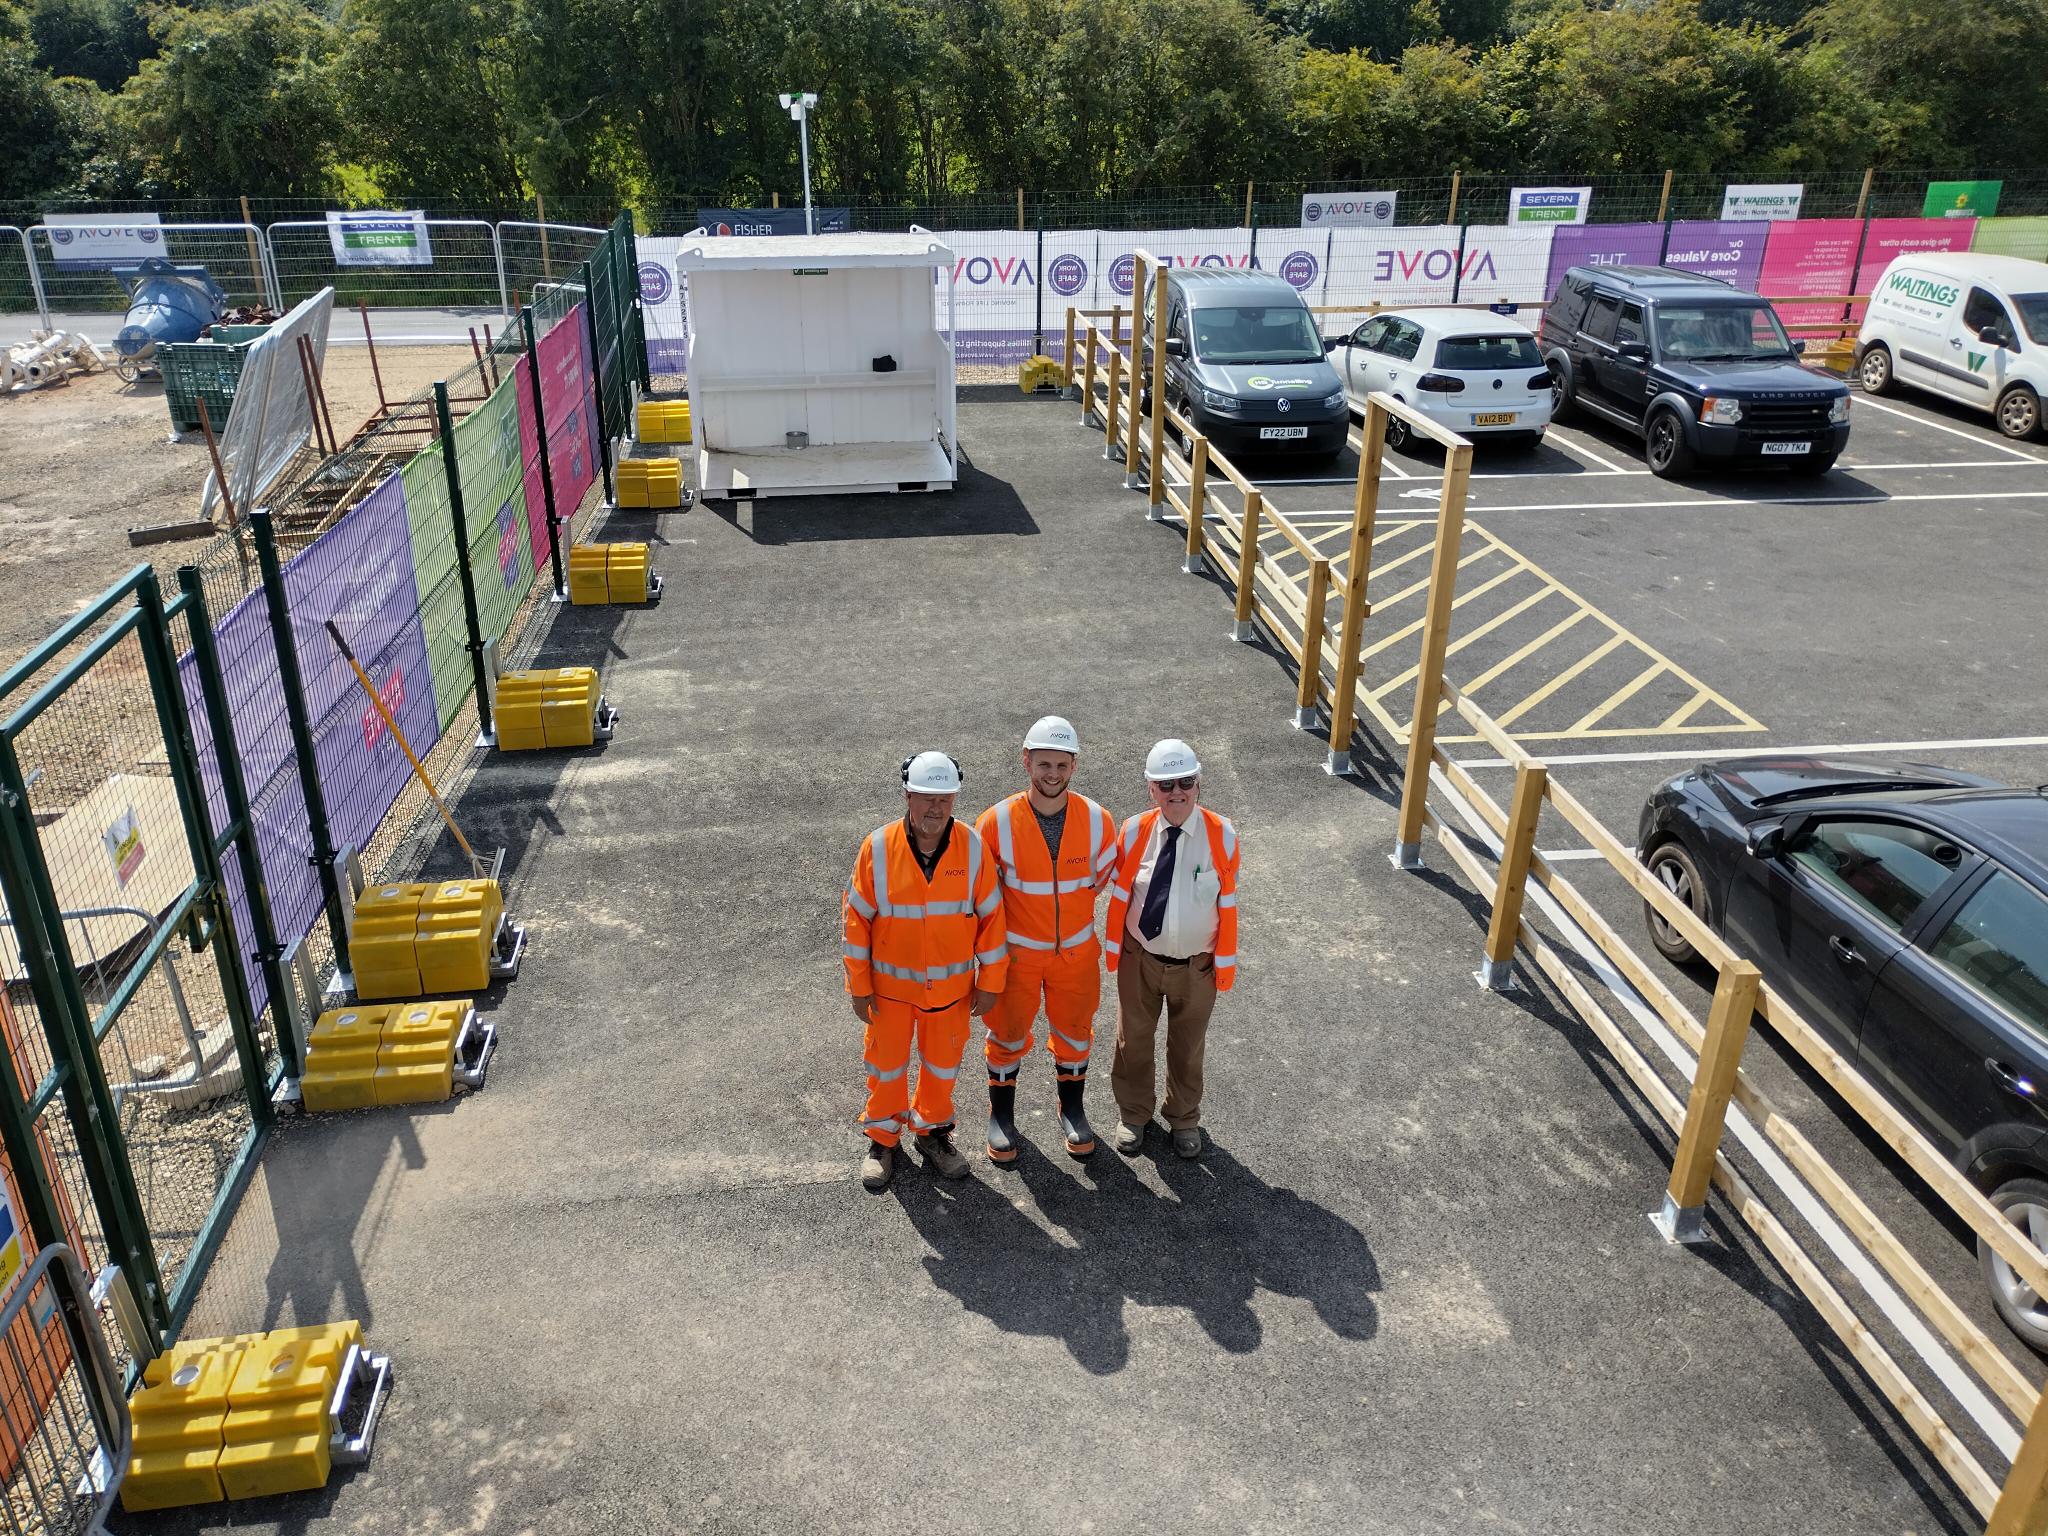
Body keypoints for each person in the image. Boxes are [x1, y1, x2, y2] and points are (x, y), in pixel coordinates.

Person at [843, 751, 1008, 1192]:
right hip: (890, 993)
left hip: (952, 992)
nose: (935, 808)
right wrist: (859, 986)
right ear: (908, 795)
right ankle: (882, 1140)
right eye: (925, 798)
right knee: (886, 1067)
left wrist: (990, 983)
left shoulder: (973, 848)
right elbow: (856, 920)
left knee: (941, 1067)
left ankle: (933, 1134)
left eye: (945, 798)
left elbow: (993, 920)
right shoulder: (877, 848)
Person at [975, 716, 1119, 1165]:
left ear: (1074, 765)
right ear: (1026, 762)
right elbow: (982, 893)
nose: (1052, 774)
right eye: (1043, 764)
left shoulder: (1099, 820)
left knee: (1075, 1034)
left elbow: (1096, 883)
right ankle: (1001, 1118)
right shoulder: (995, 822)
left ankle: (1072, 1110)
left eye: (1060, 764)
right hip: (1016, 957)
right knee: (1007, 1033)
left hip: (1075, 957)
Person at [1105, 739, 1240, 1159]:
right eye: (1166, 785)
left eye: (1186, 782)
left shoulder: (1223, 834)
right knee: (1134, 1042)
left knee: (1188, 1045)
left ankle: (1184, 1118)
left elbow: (1225, 900)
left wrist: (1220, 960)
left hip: (1197, 966)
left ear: (1199, 783)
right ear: (1151, 789)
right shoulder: (1131, 832)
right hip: (1140, 958)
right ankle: (1134, 1115)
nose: (1177, 792)